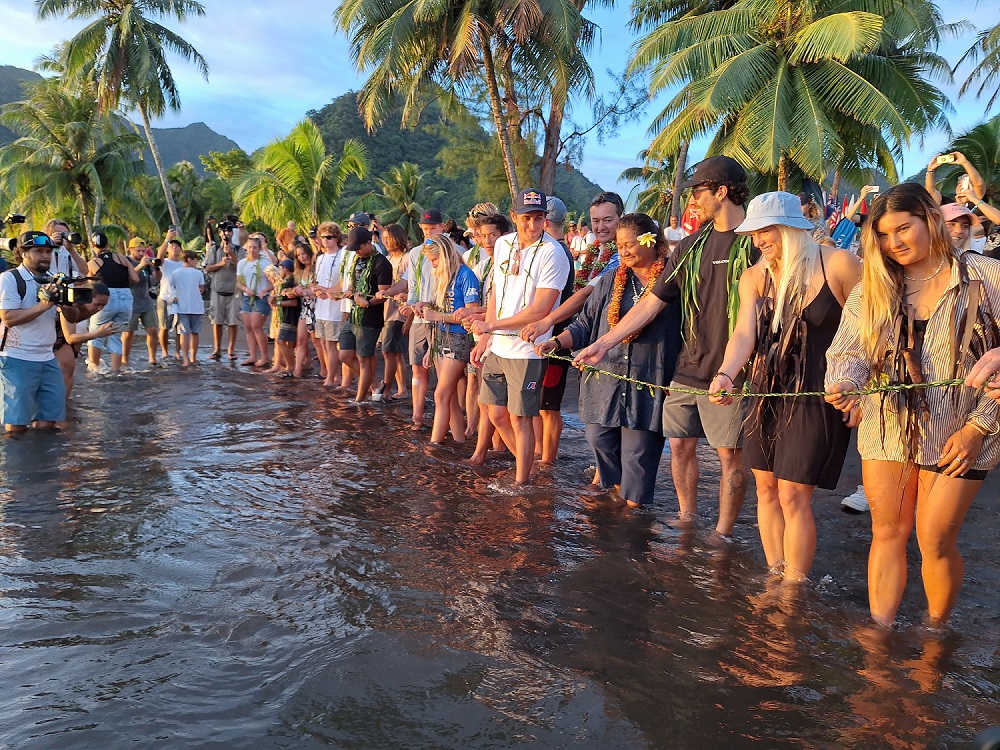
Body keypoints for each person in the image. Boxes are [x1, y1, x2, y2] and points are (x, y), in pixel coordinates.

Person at [825, 183, 1000, 628]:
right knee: (887, 532)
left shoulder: (985, 276)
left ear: (930, 217)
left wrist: (979, 426)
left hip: (967, 427)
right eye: (882, 235)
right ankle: (880, 633)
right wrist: (844, 383)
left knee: (935, 538)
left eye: (903, 228)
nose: (894, 243)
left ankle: (934, 630)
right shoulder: (873, 288)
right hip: (887, 422)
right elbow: (848, 351)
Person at [575, 156, 757, 538]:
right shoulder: (691, 245)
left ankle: (722, 533)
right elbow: (652, 302)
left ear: (721, 192)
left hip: (735, 369)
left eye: (699, 193)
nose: (692, 202)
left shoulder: (756, 242)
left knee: (729, 455)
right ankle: (688, 520)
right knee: (679, 445)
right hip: (689, 365)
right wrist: (603, 342)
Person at [707, 192, 862, 581]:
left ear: (793, 228)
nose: (758, 240)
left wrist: (864, 387)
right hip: (766, 389)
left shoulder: (838, 264)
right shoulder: (755, 277)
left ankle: (794, 586)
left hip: (818, 392)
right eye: (754, 233)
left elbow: (871, 329)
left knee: (794, 493)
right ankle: (775, 573)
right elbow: (744, 332)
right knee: (766, 488)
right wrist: (726, 374)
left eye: (766, 230)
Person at [537, 213, 681, 507]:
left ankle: (633, 519)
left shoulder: (672, 284)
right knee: (598, 438)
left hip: (648, 381)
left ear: (651, 243)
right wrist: (555, 342)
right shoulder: (609, 283)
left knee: (638, 454)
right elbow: (583, 325)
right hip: (606, 382)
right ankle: (615, 499)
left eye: (630, 245)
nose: (624, 251)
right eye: (619, 245)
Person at [471, 188, 571, 484]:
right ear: (514, 217)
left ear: (545, 219)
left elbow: (541, 309)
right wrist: (487, 338)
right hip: (499, 346)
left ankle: (521, 482)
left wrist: (492, 327)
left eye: (538, 218)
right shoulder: (503, 244)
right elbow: (497, 293)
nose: (532, 225)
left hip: (528, 350)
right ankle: (527, 468)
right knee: (495, 414)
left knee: (520, 417)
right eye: (526, 218)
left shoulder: (553, 253)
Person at [0, 231, 86, 432]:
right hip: (16, 357)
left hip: (47, 358)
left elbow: (72, 318)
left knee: (49, 422)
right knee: (17, 424)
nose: (45, 256)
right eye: (38, 251)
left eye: (48, 251)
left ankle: (44, 462)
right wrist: (44, 305)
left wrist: (66, 304)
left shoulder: (53, 279)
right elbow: (9, 318)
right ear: (22, 253)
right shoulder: (10, 279)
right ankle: (17, 462)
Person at [377, 208, 446, 429]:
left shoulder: (452, 251)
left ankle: (448, 419)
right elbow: (411, 284)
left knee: (444, 372)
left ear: (442, 227)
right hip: (418, 318)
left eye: (433, 228)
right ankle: (417, 417)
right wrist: (402, 300)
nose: (429, 233)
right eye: (425, 229)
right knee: (417, 367)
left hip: (442, 319)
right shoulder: (417, 253)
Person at [413, 235, 480, 444]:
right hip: (441, 338)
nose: (433, 265)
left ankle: (434, 445)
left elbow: (472, 315)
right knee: (448, 398)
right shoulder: (444, 277)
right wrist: (426, 305)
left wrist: (438, 316)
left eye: (435, 260)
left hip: (458, 339)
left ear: (446, 256)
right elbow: (439, 309)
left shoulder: (465, 276)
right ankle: (459, 441)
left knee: (440, 395)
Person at [456, 213, 510, 464]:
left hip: (500, 335)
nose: (487, 240)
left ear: (504, 235)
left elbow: (504, 306)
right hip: (486, 333)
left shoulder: (509, 262)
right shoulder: (485, 264)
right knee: (487, 399)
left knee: (495, 402)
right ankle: (489, 451)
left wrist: (484, 325)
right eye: (483, 235)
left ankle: (491, 453)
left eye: (493, 235)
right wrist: (473, 311)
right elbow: (488, 304)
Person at [339, 226, 392, 404]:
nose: (357, 252)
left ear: (369, 243)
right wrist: (351, 293)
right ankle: (376, 384)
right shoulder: (356, 259)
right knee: (345, 355)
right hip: (353, 314)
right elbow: (355, 286)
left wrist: (367, 302)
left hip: (370, 318)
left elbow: (384, 294)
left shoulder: (382, 263)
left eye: (359, 248)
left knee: (364, 360)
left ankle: (359, 400)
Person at [86, 232, 138, 374]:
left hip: (106, 297)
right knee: (116, 335)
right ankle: (116, 371)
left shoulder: (93, 262)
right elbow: (136, 278)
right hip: (126, 297)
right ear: (108, 244)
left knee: (96, 333)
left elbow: (90, 283)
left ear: (93, 245)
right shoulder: (123, 259)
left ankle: (94, 369)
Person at [373, 223, 411, 401]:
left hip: (400, 311)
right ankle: (401, 388)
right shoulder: (386, 259)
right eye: (384, 238)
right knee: (393, 352)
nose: (386, 241)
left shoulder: (408, 258)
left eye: (389, 238)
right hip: (387, 309)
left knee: (389, 350)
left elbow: (413, 285)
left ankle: (389, 388)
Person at [55, 283, 113, 399]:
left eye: (104, 305)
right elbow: (70, 337)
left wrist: (76, 349)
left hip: (60, 335)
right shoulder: (71, 305)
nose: (100, 309)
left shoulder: (88, 308)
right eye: (97, 304)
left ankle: (62, 404)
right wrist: (98, 334)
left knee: (69, 366)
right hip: (47, 334)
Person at [203, 221, 245, 361]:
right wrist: (220, 264)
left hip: (234, 291)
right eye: (223, 231)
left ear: (232, 233)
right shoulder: (214, 249)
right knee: (217, 321)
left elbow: (242, 267)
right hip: (217, 290)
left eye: (228, 231)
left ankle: (231, 350)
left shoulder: (239, 250)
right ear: (219, 233)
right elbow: (207, 268)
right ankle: (217, 349)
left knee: (233, 322)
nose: (226, 234)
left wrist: (231, 254)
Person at [313, 221, 347, 387]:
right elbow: (316, 281)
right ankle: (332, 375)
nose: (325, 240)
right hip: (321, 307)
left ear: (337, 238)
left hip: (335, 308)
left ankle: (332, 378)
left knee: (333, 344)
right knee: (324, 344)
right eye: (323, 237)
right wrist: (317, 290)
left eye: (329, 237)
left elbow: (344, 282)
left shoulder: (342, 257)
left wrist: (327, 291)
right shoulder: (320, 258)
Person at [121, 237, 159, 369]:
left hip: (145, 300)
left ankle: (152, 358)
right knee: (128, 332)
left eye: (143, 251)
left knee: (153, 330)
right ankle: (125, 359)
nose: (142, 253)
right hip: (131, 301)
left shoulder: (146, 263)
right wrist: (140, 266)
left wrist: (156, 268)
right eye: (138, 251)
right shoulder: (126, 262)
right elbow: (126, 279)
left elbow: (155, 281)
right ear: (130, 249)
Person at [236, 236, 273, 367]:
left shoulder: (266, 263)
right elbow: (239, 283)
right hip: (247, 297)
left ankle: (264, 357)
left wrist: (265, 290)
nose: (252, 250)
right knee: (248, 327)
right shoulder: (242, 263)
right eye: (250, 247)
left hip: (261, 298)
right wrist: (246, 289)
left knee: (257, 326)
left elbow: (275, 282)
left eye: (255, 247)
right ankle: (252, 356)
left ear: (259, 248)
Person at [171, 251, 206, 367]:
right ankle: (193, 358)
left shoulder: (176, 273)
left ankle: (185, 358)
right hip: (196, 306)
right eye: (196, 259)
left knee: (183, 333)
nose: (197, 262)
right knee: (195, 333)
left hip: (182, 307)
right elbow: (202, 287)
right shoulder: (198, 273)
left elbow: (173, 286)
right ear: (190, 260)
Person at [155, 231, 185, 361]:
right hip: (165, 298)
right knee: (164, 327)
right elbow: (159, 256)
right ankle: (164, 351)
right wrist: (167, 240)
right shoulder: (165, 262)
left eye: (177, 246)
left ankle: (178, 351)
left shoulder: (183, 264)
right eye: (172, 246)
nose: (174, 248)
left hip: (180, 299)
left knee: (180, 329)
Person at [291, 241, 317, 378]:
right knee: (301, 340)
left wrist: (304, 291)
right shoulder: (299, 272)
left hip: (316, 306)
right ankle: (297, 370)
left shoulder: (316, 267)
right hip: (305, 308)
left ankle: (325, 371)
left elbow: (316, 288)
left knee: (317, 343)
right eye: (298, 255)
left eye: (303, 254)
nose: (302, 257)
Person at [271, 258, 299, 378]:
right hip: (290, 316)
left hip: (290, 316)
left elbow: (293, 302)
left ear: (285, 269)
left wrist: (277, 303)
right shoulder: (290, 281)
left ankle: (290, 366)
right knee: (287, 342)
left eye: (280, 268)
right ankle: (290, 365)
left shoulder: (289, 283)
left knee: (281, 340)